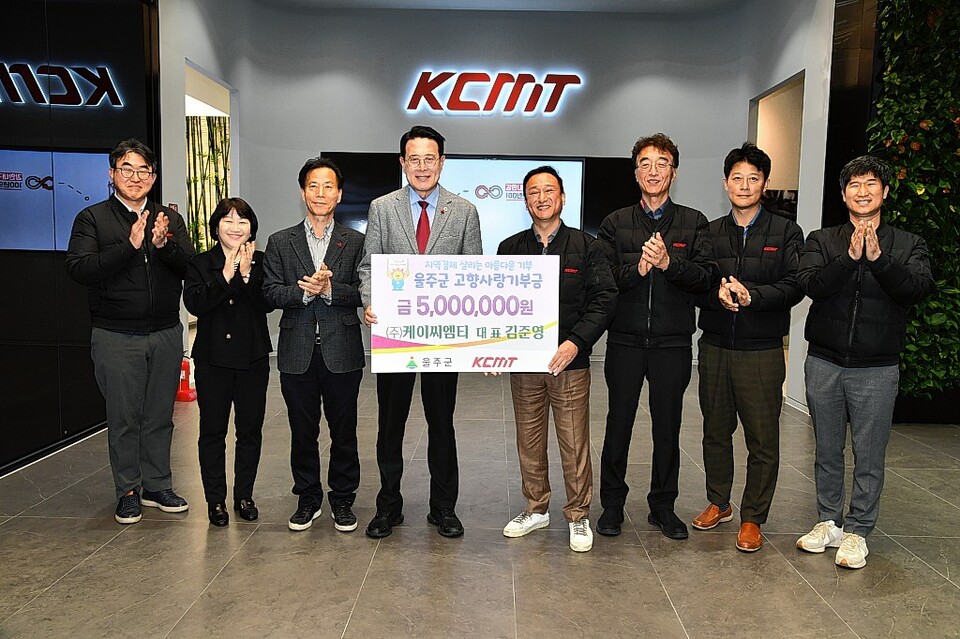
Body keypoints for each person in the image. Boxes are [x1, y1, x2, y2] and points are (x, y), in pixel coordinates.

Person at [796, 156, 932, 568]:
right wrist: (848, 259)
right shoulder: (823, 240)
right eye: (854, 185)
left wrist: (879, 260)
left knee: (869, 454)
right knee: (826, 449)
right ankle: (828, 521)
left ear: (885, 192)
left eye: (871, 183)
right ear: (843, 195)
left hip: (877, 367)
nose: (862, 191)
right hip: (824, 362)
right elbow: (811, 284)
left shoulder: (908, 243)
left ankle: (858, 530)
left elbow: (916, 289)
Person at [359, 125, 482, 539]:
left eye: (430, 159)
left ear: (442, 163)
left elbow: (474, 274)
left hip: (443, 338)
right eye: (415, 159)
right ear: (402, 163)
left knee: (441, 423)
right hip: (395, 336)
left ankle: (443, 508)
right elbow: (368, 266)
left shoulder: (464, 211)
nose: (423, 167)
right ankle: (388, 506)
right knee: (390, 425)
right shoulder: (382, 208)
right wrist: (370, 300)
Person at [65, 138, 194, 524]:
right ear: (112, 173)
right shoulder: (92, 218)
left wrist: (163, 245)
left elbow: (190, 267)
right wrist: (129, 246)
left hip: (165, 333)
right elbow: (80, 268)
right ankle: (128, 491)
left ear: (153, 177)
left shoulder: (168, 219)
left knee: (159, 415)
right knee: (124, 418)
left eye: (143, 171)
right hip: (116, 335)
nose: (135, 177)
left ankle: (157, 485)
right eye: (127, 169)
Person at [596, 132, 714, 540]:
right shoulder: (615, 223)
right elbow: (605, 279)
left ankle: (663, 506)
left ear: (673, 173)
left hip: (672, 343)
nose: (653, 171)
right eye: (644, 163)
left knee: (667, 427)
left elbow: (705, 278)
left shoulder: (694, 222)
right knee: (618, 424)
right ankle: (612, 505)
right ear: (635, 173)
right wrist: (639, 270)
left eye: (662, 163)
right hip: (624, 341)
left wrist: (668, 264)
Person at [497, 166, 616, 552]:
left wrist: (575, 343)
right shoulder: (509, 248)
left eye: (549, 190)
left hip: (570, 363)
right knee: (528, 440)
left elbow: (604, 300)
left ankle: (578, 514)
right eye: (534, 192)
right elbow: (497, 305)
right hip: (525, 365)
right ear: (525, 201)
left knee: (574, 442)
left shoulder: (587, 247)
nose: (542, 198)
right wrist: (494, 349)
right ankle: (536, 508)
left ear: (563, 198)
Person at [691, 143, 804, 552]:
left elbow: (795, 285)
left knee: (762, 438)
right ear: (725, 183)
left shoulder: (786, 232)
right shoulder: (709, 232)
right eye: (737, 178)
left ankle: (753, 516)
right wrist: (715, 296)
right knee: (715, 431)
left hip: (762, 351)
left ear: (765, 183)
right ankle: (719, 502)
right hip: (716, 346)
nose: (744, 185)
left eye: (753, 178)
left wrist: (753, 296)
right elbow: (697, 282)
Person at [263, 157, 366, 533]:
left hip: (342, 350)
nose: (320, 193)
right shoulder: (280, 241)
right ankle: (308, 497)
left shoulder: (356, 241)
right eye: (313, 186)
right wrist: (305, 292)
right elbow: (269, 292)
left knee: (344, 430)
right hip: (297, 350)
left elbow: (365, 291)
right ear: (302, 192)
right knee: (302, 431)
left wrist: (331, 290)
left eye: (328, 186)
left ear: (339, 194)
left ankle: (342, 498)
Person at [183, 198, 272, 527]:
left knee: (250, 430)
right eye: (228, 220)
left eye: (243, 221)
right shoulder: (200, 263)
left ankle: (244, 495)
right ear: (216, 226)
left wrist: (246, 277)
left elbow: (267, 303)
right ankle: (215, 500)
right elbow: (195, 304)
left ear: (251, 228)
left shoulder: (262, 261)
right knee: (212, 431)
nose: (236, 227)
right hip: (212, 359)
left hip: (253, 359)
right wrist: (225, 275)